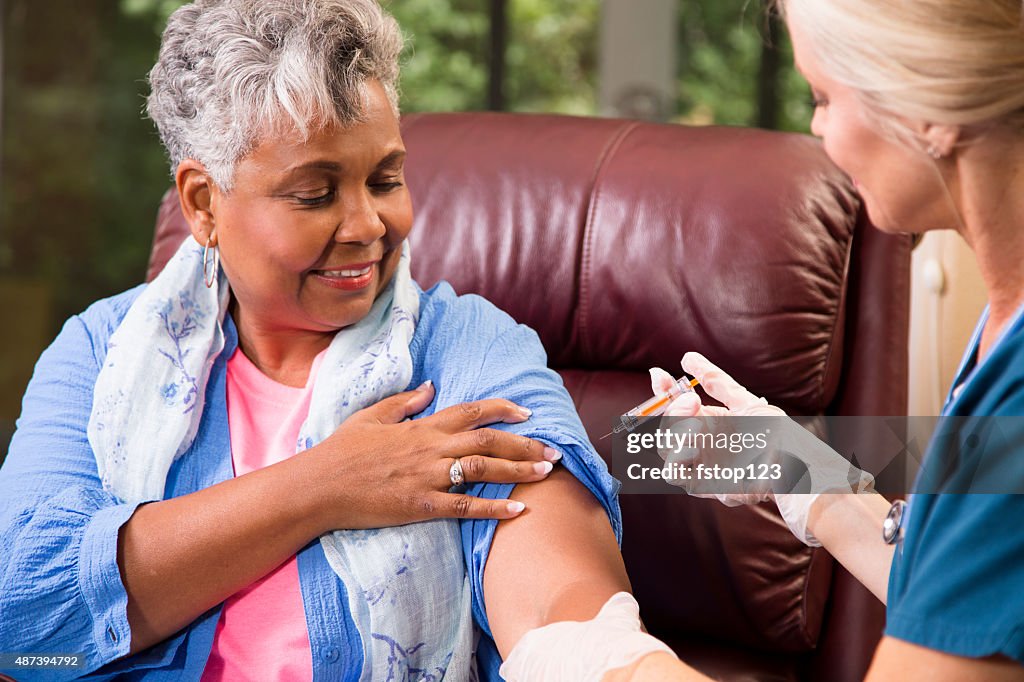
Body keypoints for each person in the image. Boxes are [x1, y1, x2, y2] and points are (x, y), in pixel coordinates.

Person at [0, 1, 682, 679]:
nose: (367, 225)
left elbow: (561, 608)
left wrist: (621, 663)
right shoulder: (100, 352)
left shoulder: (468, 350)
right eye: (315, 194)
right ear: (205, 203)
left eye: (385, 179)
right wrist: (325, 484)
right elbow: (24, 622)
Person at [649, 0, 1024, 679]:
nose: (816, 127)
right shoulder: (1006, 324)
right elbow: (968, 593)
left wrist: (609, 660)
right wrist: (796, 472)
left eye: (823, 97)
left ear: (932, 112)